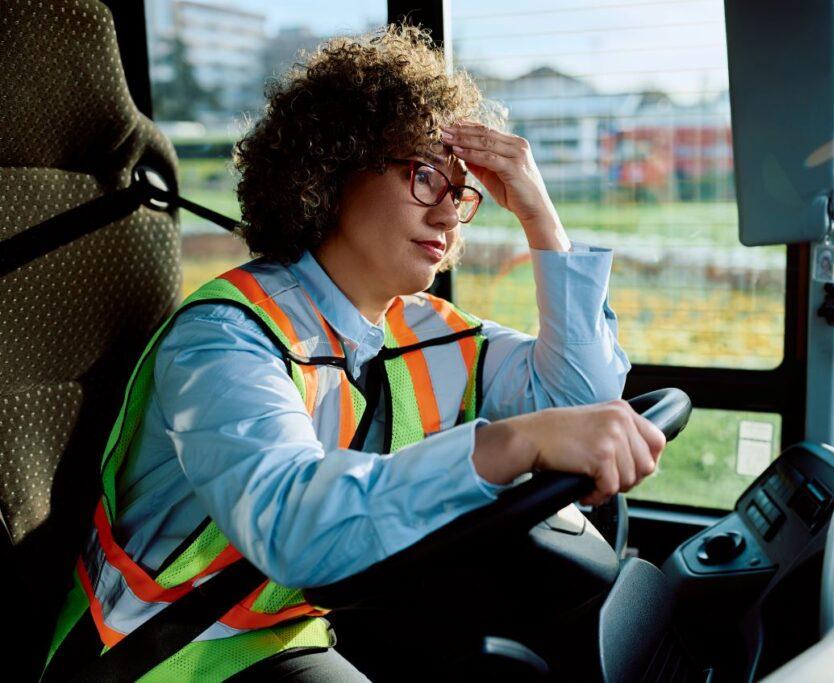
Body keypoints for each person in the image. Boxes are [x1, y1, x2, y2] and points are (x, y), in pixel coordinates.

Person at [44, 25, 665, 681]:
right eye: (426, 176)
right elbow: (292, 527)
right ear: (330, 169)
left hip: (292, 634)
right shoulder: (225, 337)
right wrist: (508, 443)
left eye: (462, 193)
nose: (450, 214)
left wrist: (539, 213)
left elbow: (583, 404)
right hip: (163, 662)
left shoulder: (420, 330)